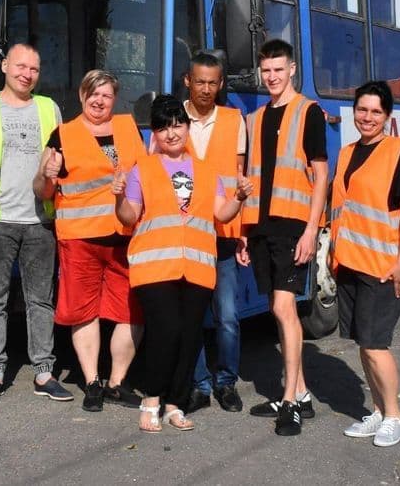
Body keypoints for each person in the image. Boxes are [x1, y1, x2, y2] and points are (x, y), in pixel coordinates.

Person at [112, 94, 253, 432]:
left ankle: (175, 401)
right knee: (167, 330)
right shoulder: (141, 169)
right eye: (163, 127)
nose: (171, 133)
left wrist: (239, 197)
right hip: (154, 266)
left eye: (177, 124)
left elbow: (220, 214)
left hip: (198, 267)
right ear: (154, 135)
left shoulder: (207, 171)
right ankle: (151, 398)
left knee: (190, 336)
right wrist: (117, 195)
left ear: (187, 127)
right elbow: (129, 216)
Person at [0, 42, 73, 405]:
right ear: (5, 66)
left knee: (41, 301)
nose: (27, 74)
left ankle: (44, 372)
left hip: (40, 221)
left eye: (34, 69)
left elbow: (58, 159)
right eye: (21, 66)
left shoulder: (48, 109)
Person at [33, 69, 146, 413]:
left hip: (126, 236)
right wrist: (46, 176)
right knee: (84, 311)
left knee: (132, 312)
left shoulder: (130, 129)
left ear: (115, 99)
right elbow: (41, 191)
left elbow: (145, 176)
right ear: (82, 96)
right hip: (80, 239)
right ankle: (92, 382)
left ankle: (117, 382)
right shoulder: (62, 135)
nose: (99, 101)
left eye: (106, 95)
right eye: (93, 94)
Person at [242, 39, 328, 437]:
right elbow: (250, 178)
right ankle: (302, 393)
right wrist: (244, 231)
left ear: (292, 69)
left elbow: (320, 174)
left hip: (294, 225)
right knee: (279, 310)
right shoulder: (254, 119)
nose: (272, 77)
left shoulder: (309, 112)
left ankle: (290, 402)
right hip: (261, 226)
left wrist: (312, 228)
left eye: (279, 69)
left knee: (283, 308)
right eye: (267, 70)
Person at [330, 80, 400, 448]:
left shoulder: (396, 150)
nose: (367, 117)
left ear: (387, 116)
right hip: (350, 263)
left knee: (375, 344)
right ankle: (378, 411)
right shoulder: (348, 152)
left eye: (375, 112)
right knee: (362, 344)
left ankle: (395, 417)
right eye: (362, 110)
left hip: (382, 266)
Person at [181, 53, 248, 414]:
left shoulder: (234, 120)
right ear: (187, 81)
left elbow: (239, 179)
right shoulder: (175, 119)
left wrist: (243, 233)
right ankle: (199, 385)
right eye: (200, 81)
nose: (206, 89)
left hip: (223, 231)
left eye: (213, 82)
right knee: (192, 316)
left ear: (221, 84)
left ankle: (226, 383)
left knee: (227, 317)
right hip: (186, 233)